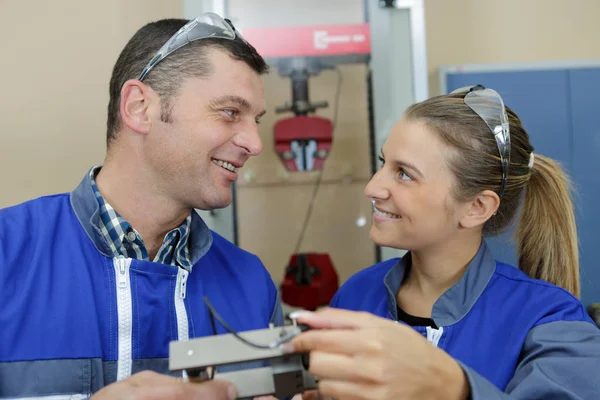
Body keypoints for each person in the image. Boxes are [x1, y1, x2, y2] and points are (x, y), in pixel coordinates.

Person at [0, 13, 283, 398]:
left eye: (256, 121)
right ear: (139, 107)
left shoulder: (252, 284)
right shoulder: (7, 254)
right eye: (230, 112)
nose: (255, 143)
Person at [286, 86, 600, 399]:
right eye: (383, 163)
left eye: (404, 174)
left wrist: (454, 388)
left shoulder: (550, 318)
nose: (373, 187)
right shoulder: (357, 295)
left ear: (476, 207)